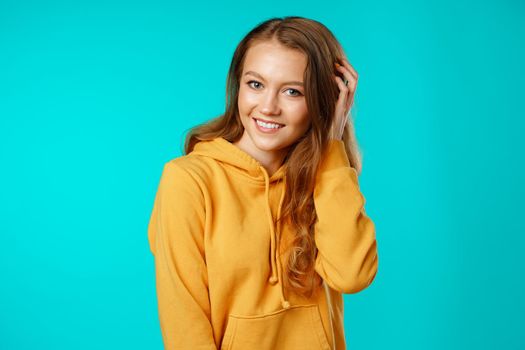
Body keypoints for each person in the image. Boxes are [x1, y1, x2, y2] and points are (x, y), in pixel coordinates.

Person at [147, 15, 379, 350]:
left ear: (322, 100)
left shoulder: (327, 176)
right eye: (255, 84)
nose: (268, 107)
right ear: (237, 86)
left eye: (292, 91)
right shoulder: (189, 181)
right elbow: (184, 326)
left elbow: (353, 275)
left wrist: (332, 147)